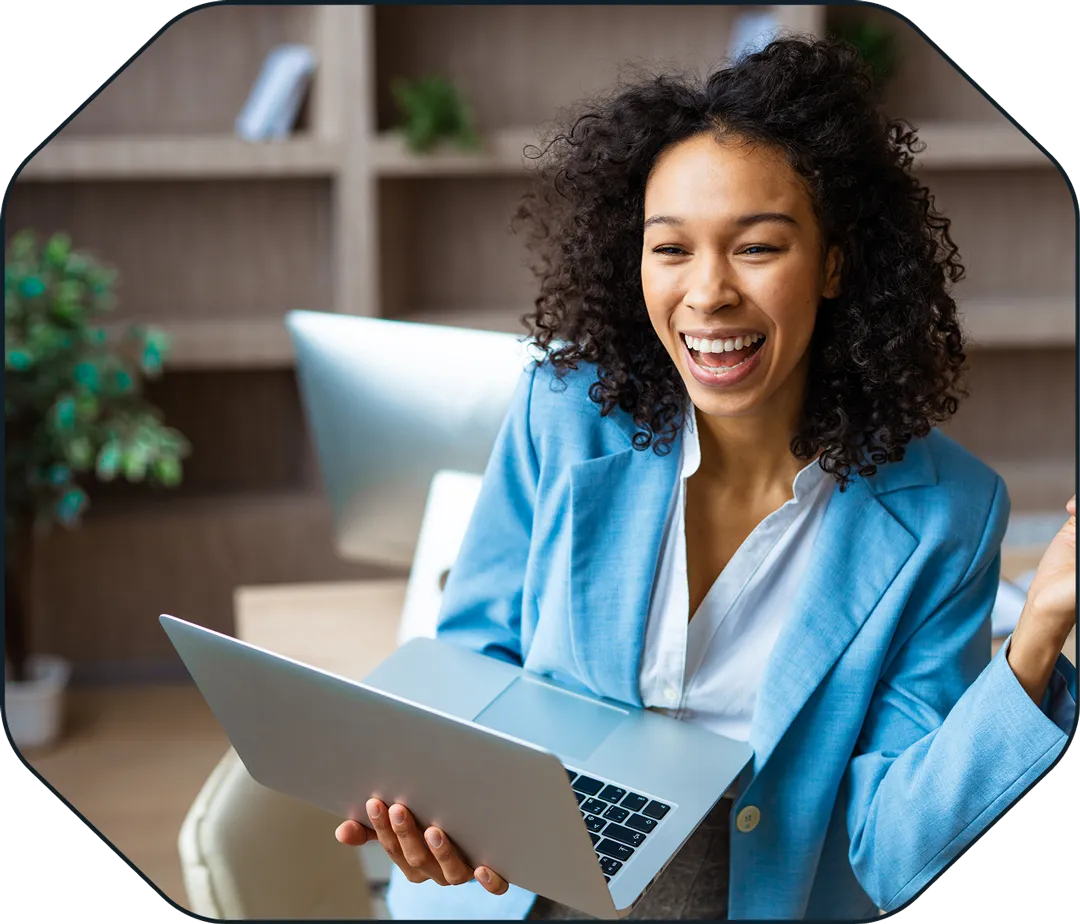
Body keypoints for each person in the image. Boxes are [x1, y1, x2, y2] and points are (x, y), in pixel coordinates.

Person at [334, 35, 1076, 920]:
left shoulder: (947, 512)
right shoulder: (563, 414)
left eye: (757, 248)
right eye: (671, 249)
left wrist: (1037, 639)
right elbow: (469, 660)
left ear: (836, 262)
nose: (708, 292)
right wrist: (435, 800)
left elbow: (897, 848)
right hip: (522, 887)